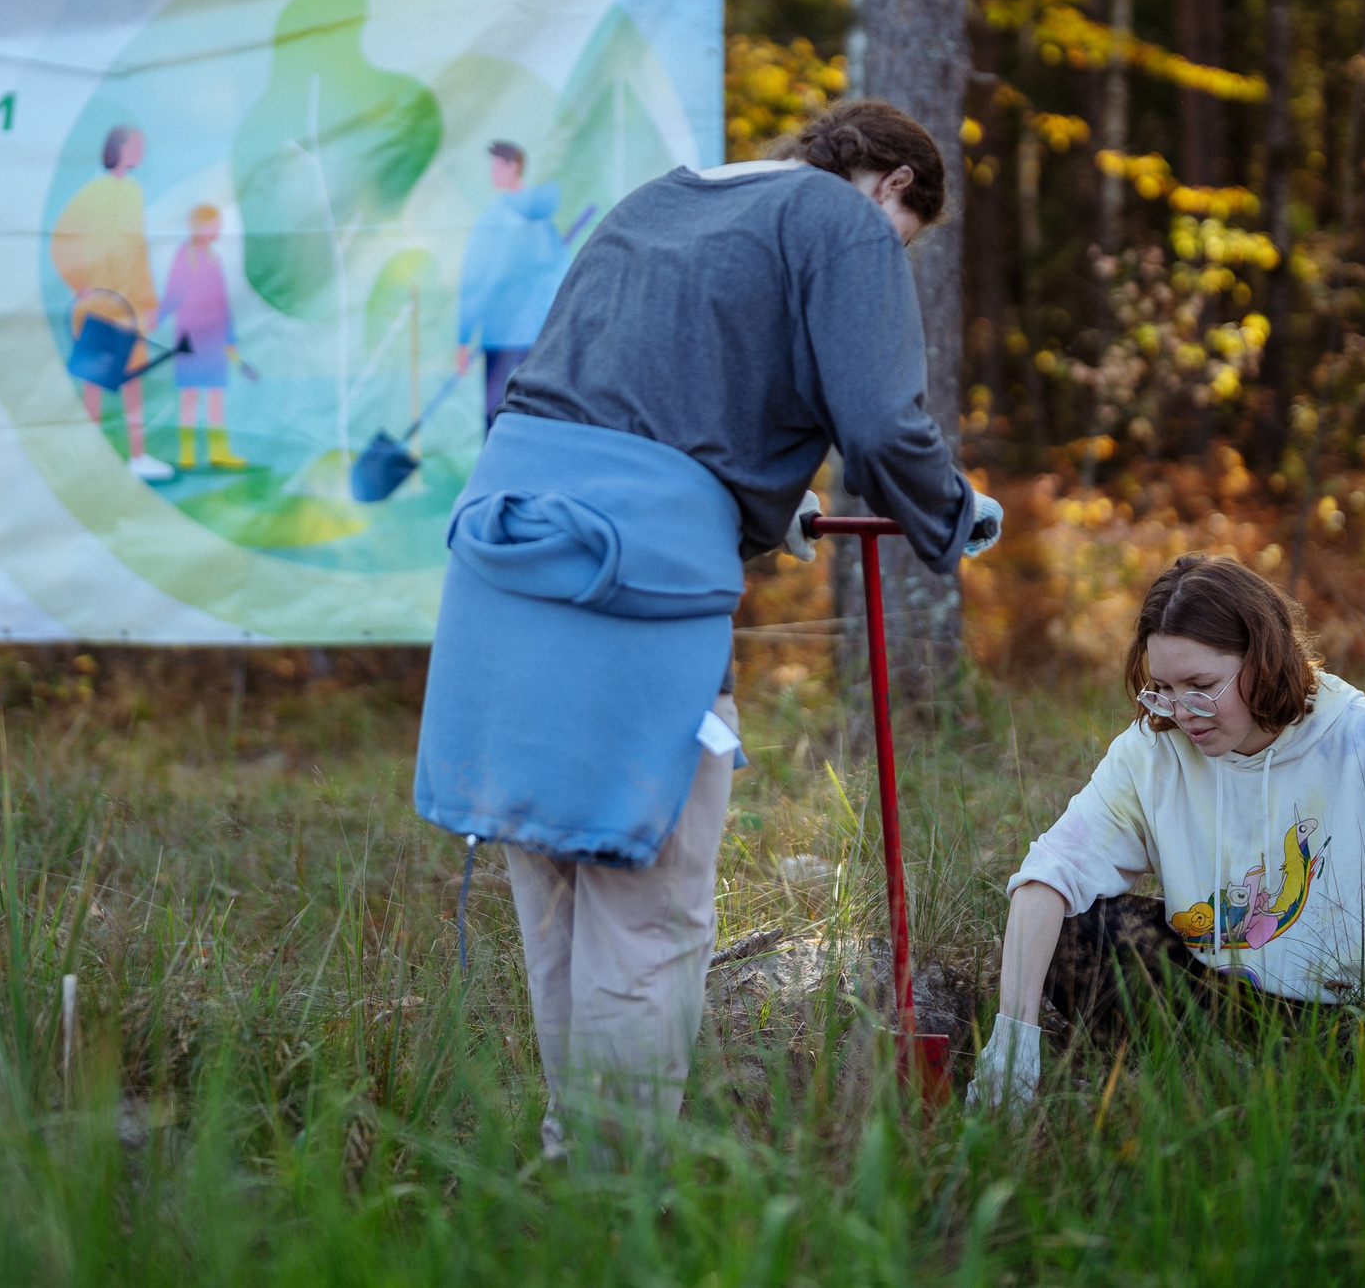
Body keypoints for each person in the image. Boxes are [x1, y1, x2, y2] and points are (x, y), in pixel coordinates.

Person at [414, 100, 1006, 1163]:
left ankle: (572, 1161)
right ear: (886, 190)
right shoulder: (841, 221)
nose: (891, 253)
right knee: (649, 900)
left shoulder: (659, 203)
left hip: (507, 551)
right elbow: (876, 422)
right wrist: (953, 513)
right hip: (631, 580)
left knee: (554, 880)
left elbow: (646, 395)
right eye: (904, 237)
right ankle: (617, 1193)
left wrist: (777, 509)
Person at [967, 553, 1365, 1113]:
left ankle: (1272, 1084)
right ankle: (1220, 1077)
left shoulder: (1363, 744)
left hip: (1351, 1015)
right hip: (1222, 996)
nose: (1183, 711)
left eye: (1202, 685)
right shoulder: (1156, 749)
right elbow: (1048, 874)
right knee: (1075, 933)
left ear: (1263, 660)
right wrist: (1011, 1040)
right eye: (1162, 686)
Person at [50, 124, 174, 482]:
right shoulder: (93, 192)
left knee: (132, 378)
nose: (141, 151)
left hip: (130, 306)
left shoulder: (134, 192)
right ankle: (91, 460)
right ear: (118, 148)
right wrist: (81, 285)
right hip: (101, 306)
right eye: (136, 144)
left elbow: (138, 250)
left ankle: (137, 456)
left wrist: (149, 302)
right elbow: (61, 239)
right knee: (95, 381)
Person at [455, 140, 573, 428]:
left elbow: (475, 283)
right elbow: (562, 278)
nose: (492, 173)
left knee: (498, 418)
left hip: (504, 336)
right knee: (532, 416)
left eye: (497, 165)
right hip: (534, 338)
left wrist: (462, 339)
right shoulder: (544, 224)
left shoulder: (494, 222)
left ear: (513, 167)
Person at [162, 203, 248, 470]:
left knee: (215, 397)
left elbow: (222, 302)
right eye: (215, 225)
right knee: (189, 395)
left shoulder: (214, 257)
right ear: (201, 225)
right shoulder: (183, 255)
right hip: (189, 337)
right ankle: (186, 451)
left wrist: (230, 339)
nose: (219, 230)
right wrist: (155, 318)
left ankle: (218, 451)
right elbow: (173, 293)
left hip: (215, 339)